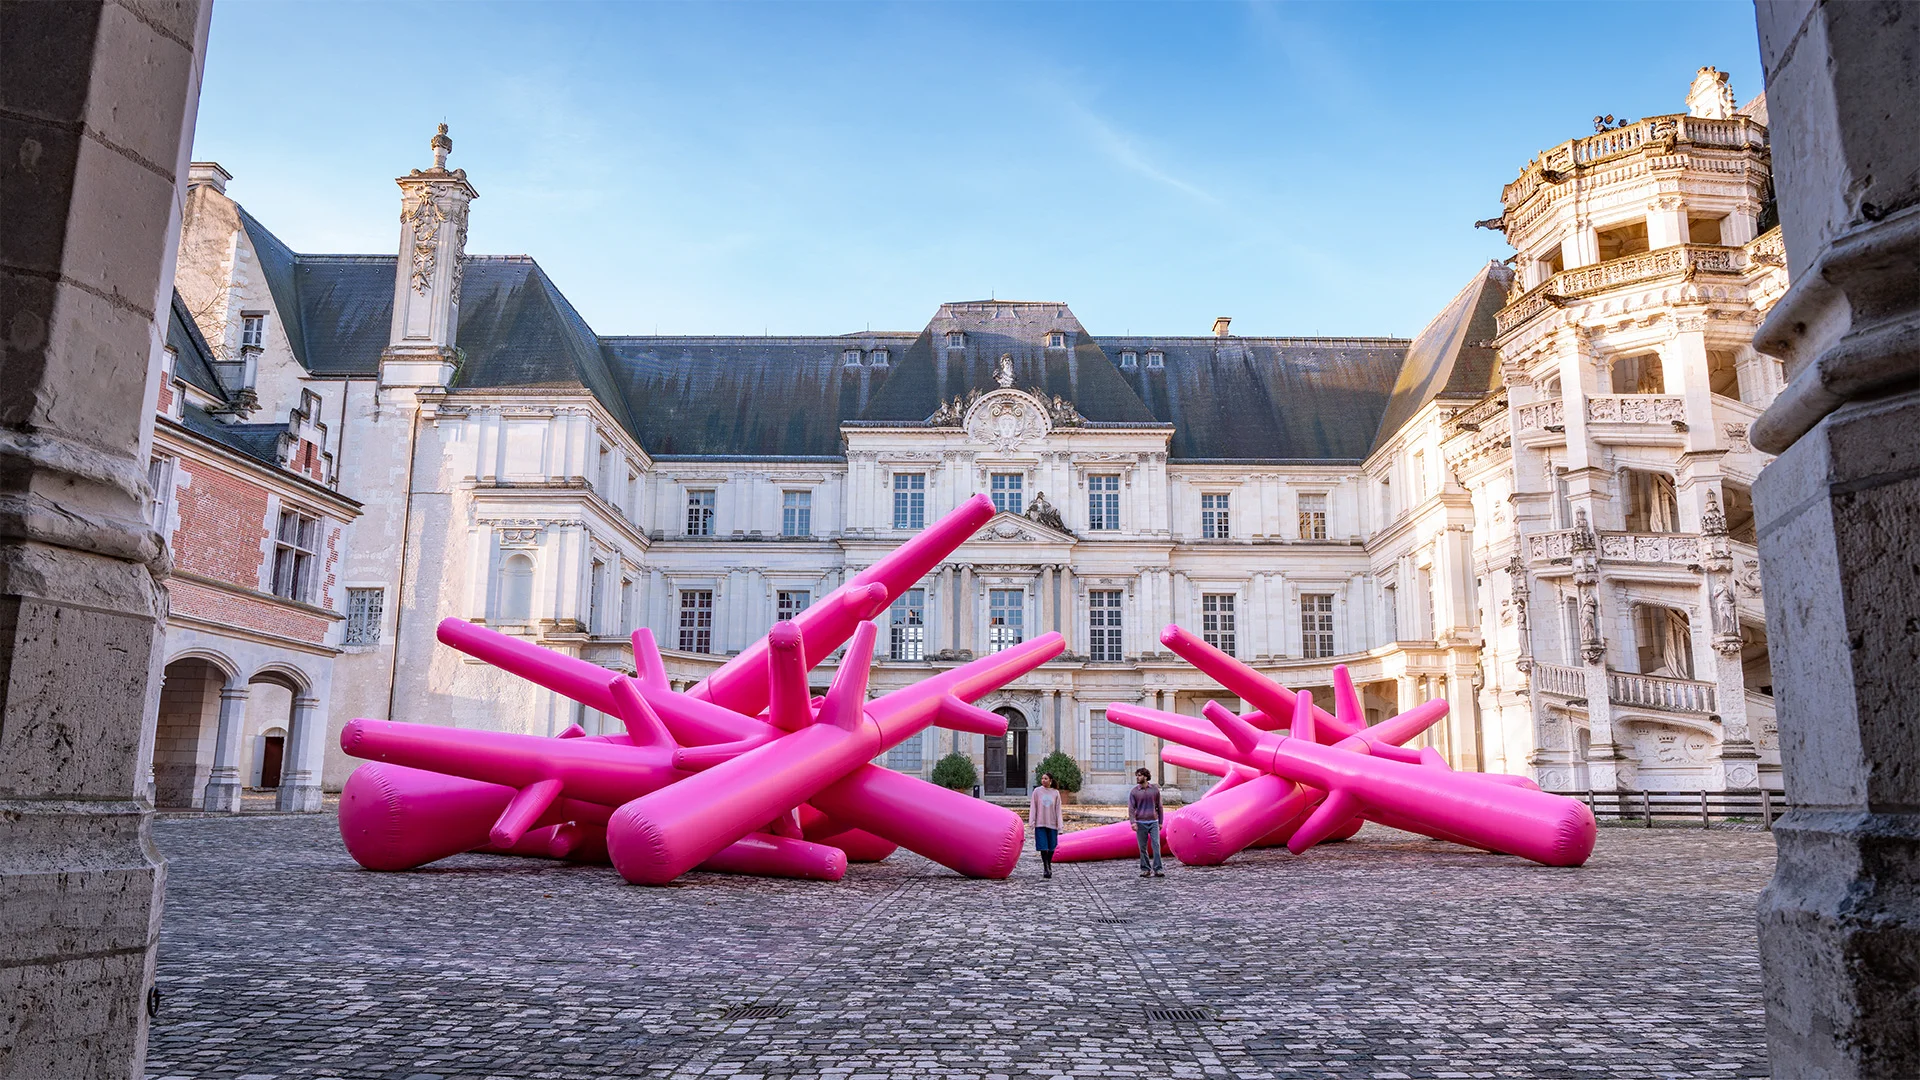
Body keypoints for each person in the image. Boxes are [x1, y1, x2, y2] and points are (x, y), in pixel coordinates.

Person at [1129, 767, 1164, 877]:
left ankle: (1158, 869)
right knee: (1142, 847)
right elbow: (1131, 808)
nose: (1137, 777)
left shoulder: (1154, 790)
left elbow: (1160, 806)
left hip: (1153, 822)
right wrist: (1133, 822)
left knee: (1156, 845)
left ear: (1145, 776)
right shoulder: (1134, 792)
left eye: (1139, 775)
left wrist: (1160, 822)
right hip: (1140, 823)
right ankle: (1145, 869)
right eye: (1137, 775)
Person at [1029, 772, 1063, 878]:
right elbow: (1033, 807)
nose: (1043, 780)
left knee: (1052, 847)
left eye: (1046, 778)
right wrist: (1032, 821)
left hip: (1052, 823)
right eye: (1042, 778)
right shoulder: (1037, 791)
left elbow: (1058, 810)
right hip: (1040, 823)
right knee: (1043, 846)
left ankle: (1049, 863)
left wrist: (1060, 825)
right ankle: (1046, 868)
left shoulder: (1056, 793)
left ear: (1050, 780)